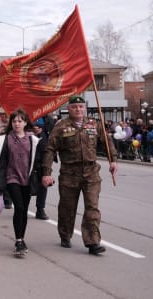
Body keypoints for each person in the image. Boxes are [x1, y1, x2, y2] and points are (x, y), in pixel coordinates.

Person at [42, 96, 118, 255]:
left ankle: (92, 242)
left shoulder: (94, 124)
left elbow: (107, 141)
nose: (78, 109)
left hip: (91, 173)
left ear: (85, 108)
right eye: (75, 107)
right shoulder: (61, 127)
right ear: (69, 109)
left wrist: (113, 160)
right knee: (67, 208)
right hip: (70, 173)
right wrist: (46, 173)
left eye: (81, 107)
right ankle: (65, 234)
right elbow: (50, 150)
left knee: (92, 208)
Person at [0, 109, 40, 257]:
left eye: (20, 121)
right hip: (12, 178)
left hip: (27, 178)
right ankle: (18, 241)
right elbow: (0, 161)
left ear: (25, 123)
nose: (17, 124)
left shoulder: (33, 139)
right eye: (14, 121)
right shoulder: (5, 139)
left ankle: (22, 238)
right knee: (19, 207)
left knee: (24, 210)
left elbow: (38, 160)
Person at [32, 118, 49, 220]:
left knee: (42, 188)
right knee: (27, 188)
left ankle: (40, 209)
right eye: (34, 126)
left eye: (38, 126)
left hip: (43, 166)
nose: (36, 128)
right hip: (31, 167)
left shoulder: (46, 136)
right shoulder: (29, 136)